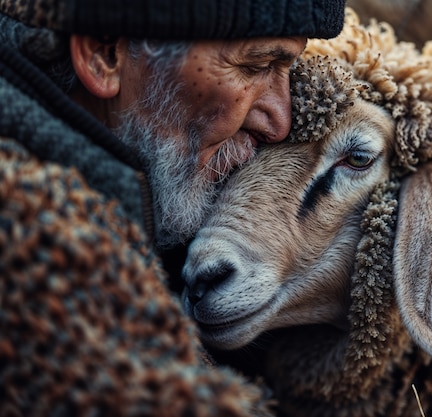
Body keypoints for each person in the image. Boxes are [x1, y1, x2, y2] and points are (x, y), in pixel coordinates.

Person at [0, 0, 346, 415]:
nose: (280, 120)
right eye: (255, 66)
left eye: (286, 70)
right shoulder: (32, 258)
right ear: (104, 53)